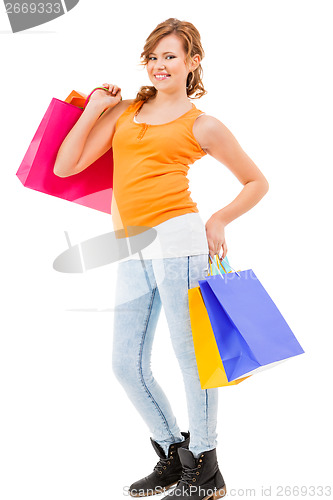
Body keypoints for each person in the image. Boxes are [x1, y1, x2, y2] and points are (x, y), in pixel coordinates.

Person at [54, 17, 269, 500]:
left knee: (193, 362)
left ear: (193, 62)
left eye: (170, 56)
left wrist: (218, 221)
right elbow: (65, 165)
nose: (158, 65)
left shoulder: (204, 125)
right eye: (152, 56)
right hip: (132, 248)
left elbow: (257, 182)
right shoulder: (128, 112)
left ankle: (208, 469)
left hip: (179, 244)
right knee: (125, 363)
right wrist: (94, 108)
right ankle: (175, 454)